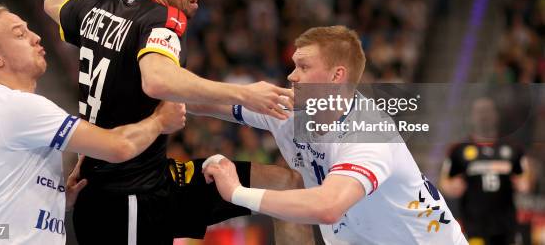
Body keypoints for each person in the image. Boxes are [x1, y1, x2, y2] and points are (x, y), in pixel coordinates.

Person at [43, 0, 311, 244]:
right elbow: (158, 80)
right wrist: (245, 94)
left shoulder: (97, 12)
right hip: (129, 199)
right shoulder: (164, 19)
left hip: (147, 181)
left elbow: (55, 0)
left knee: (285, 183)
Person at [195, 25, 467, 244]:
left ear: (337, 76)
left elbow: (328, 206)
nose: (291, 76)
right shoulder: (289, 110)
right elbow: (199, 100)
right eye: (293, 65)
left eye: (304, 67)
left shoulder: (368, 134)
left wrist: (236, 192)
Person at [0, 5, 186, 244]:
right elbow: (119, 146)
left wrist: (56, 196)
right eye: (20, 34)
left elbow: (0, 199)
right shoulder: (16, 106)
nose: (36, 37)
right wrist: (160, 120)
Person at [439, 97, 533, 245]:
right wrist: (452, 187)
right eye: (479, 112)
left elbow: (526, 181)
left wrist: (524, 184)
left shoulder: (513, 148)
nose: (484, 116)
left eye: (488, 111)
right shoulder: (458, 150)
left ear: (496, 115)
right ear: (471, 116)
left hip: (507, 226)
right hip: (474, 226)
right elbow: (445, 183)